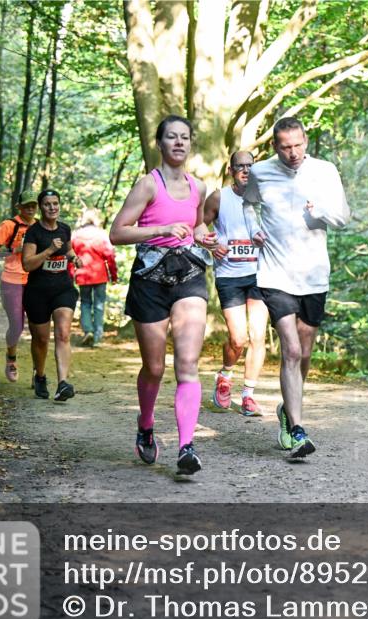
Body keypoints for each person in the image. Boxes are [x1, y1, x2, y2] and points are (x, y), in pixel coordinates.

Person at [108, 114, 217, 476]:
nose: (179, 143)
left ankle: (187, 446)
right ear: (160, 143)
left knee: (187, 364)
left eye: (184, 137)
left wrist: (204, 236)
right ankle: (147, 423)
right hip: (149, 280)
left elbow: (198, 221)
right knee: (154, 368)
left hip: (187, 274)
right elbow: (117, 233)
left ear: (190, 143)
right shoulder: (147, 186)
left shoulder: (198, 186)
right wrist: (161, 228)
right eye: (171, 137)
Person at [244, 117, 350, 459]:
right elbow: (249, 204)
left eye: (298, 145)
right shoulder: (260, 172)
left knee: (304, 353)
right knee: (290, 350)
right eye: (286, 147)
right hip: (275, 274)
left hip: (314, 274)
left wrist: (319, 211)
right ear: (275, 146)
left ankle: (288, 410)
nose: (293, 153)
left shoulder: (325, 171)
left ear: (306, 141)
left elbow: (344, 217)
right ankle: (298, 429)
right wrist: (252, 229)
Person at [203, 150, 268, 417]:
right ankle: (225, 374)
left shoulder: (264, 197)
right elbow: (198, 226)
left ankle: (249, 395)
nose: (245, 170)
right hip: (229, 276)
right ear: (231, 170)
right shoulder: (219, 197)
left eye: (250, 166)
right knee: (238, 338)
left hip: (260, 274)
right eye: (239, 166)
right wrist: (210, 243)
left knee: (258, 336)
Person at [21, 189, 82, 402]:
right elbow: (27, 264)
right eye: (47, 204)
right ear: (41, 207)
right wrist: (47, 251)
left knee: (64, 333)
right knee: (41, 339)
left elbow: (68, 250)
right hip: (37, 292)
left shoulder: (64, 229)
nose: (52, 207)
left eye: (55, 203)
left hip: (63, 288)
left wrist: (74, 258)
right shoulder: (33, 233)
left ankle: (63, 383)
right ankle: (39, 376)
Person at [0, 191, 38, 382]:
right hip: (12, 280)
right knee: (17, 325)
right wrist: (14, 249)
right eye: (27, 205)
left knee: (38, 327)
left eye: (34, 205)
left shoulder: (40, 226)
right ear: (19, 207)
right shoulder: (9, 225)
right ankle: (11, 359)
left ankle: (38, 371)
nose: (30, 208)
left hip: (36, 279)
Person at [71, 210, 118, 347]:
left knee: (85, 303)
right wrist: (113, 275)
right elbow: (110, 257)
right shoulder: (102, 235)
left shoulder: (76, 236)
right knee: (99, 305)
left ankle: (88, 331)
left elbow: (70, 257)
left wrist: (70, 274)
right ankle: (98, 336)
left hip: (82, 274)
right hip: (99, 275)